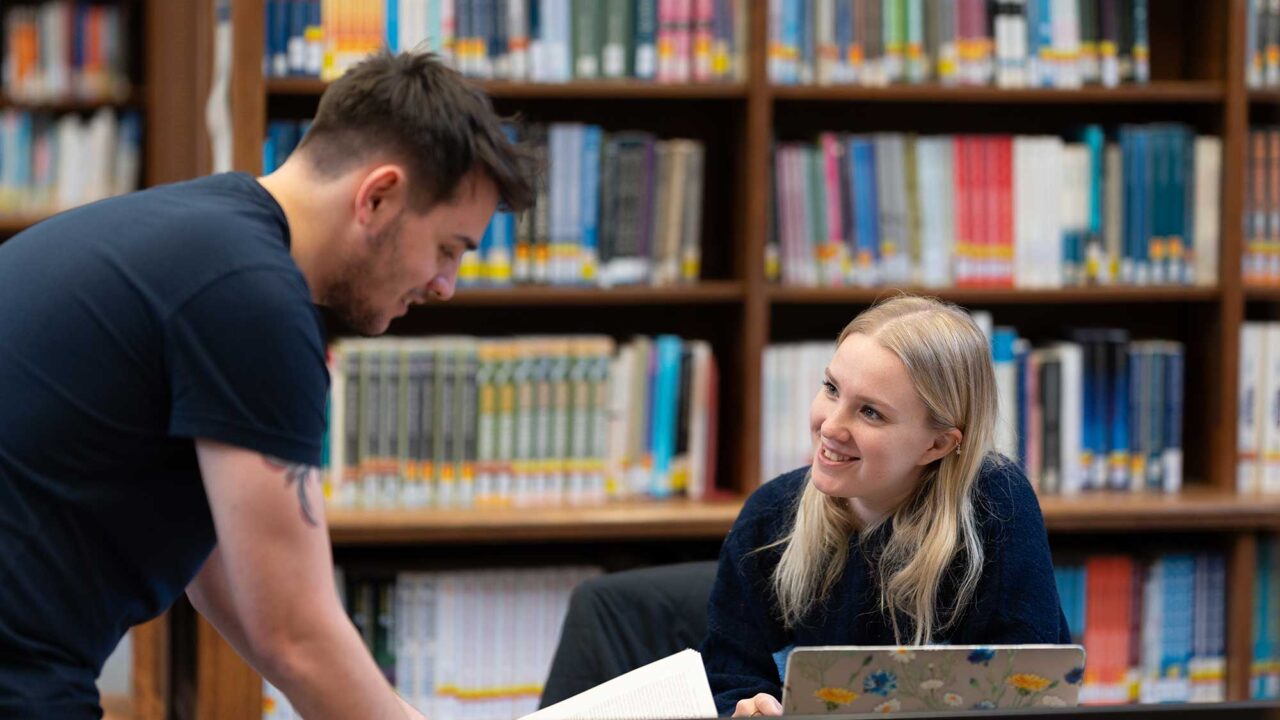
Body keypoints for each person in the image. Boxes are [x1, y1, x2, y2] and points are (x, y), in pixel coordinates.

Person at [0, 51, 533, 719]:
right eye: (449, 249)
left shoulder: (203, 237)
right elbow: (294, 636)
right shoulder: (251, 300)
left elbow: (230, 582)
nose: (445, 286)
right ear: (377, 196)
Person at [700, 295, 1070, 717]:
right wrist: (746, 708)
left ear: (937, 444)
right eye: (831, 389)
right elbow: (727, 677)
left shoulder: (995, 507)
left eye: (871, 413)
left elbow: (1029, 687)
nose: (831, 426)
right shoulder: (768, 518)